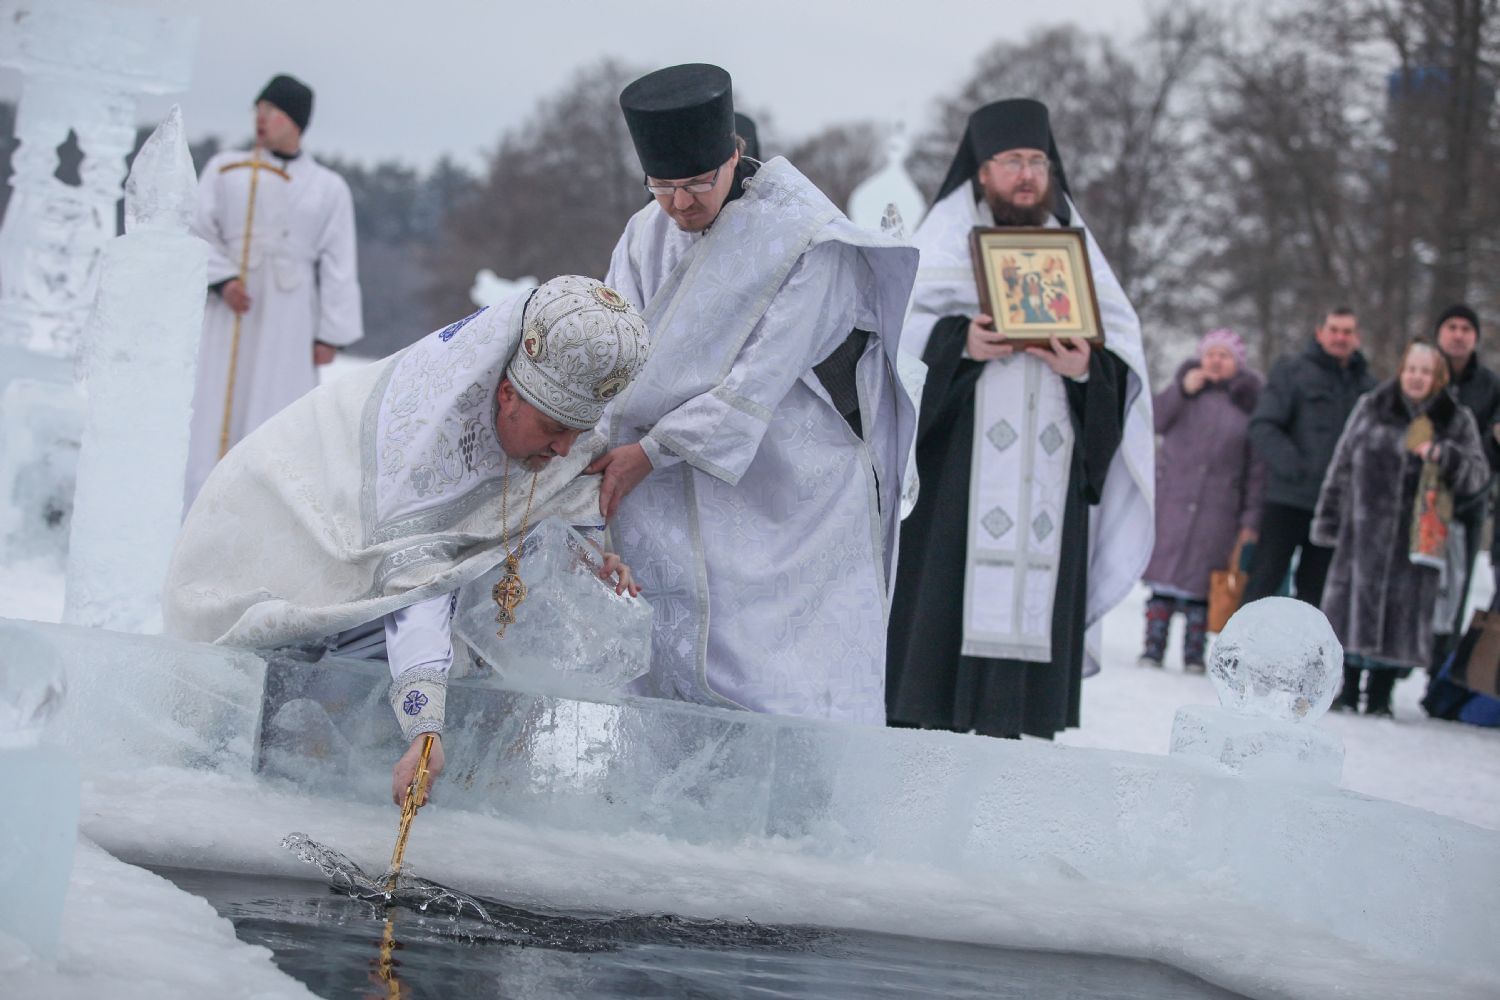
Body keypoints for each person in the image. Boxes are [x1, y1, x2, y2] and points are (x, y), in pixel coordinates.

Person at [164, 275, 650, 804]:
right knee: (391, 668)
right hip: (280, 564)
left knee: (502, 634)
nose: (563, 449)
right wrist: (425, 728)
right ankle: (316, 800)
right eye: (553, 428)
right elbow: (413, 597)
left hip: (389, 588)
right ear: (508, 393)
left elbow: (556, 510)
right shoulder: (424, 449)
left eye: (576, 433)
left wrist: (590, 562)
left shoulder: (553, 429)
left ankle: (470, 797)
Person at [590, 63, 918, 724]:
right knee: (667, 669)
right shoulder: (644, 232)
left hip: (789, 493)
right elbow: (613, 346)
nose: (680, 205)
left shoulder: (806, 239)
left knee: (783, 683)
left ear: (735, 155)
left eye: (698, 184)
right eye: (663, 187)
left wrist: (648, 452)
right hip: (669, 490)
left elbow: (755, 385)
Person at [885, 98, 1154, 740]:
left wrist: (1086, 369)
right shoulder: (942, 248)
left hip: (1049, 478)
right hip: (956, 480)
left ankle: (1017, 730)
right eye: (1012, 162)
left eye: (1038, 161)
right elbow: (893, 348)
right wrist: (960, 346)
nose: (1028, 175)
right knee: (941, 613)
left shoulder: (1080, 258)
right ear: (982, 171)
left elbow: (1121, 357)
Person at [185, 74, 363, 506]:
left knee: (278, 405)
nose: (262, 119)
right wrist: (223, 278)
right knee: (215, 402)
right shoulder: (225, 170)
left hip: (288, 311)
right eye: (258, 109)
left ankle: (262, 504)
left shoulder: (327, 187)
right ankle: (199, 499)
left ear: (296, 121)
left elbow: (339, 262)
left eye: (274, 111)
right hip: (233, 310)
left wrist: (329, 334)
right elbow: (197, 228)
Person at [1312, 340, 1488, 716]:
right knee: (1351, 611)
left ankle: (1381, 693)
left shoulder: (1455, 419)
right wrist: (1328, 519)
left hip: (1417, 541)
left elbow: (1477, 476)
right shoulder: (1371, 406)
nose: (1416, 378)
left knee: (1401, 617)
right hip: (1363, 535)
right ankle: (1346, 686)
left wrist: (1443, 454)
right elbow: (1341, 465)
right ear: (1401, 370)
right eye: (1411, 369)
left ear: (1437, 377)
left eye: (1425, 372)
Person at [1140, 329, 1264, 671]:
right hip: (1173, 503)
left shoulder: (1248, 406)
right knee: (1163, 582)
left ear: (1237, 363)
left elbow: (1257, 469)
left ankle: (1194, 652)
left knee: (1202, 587)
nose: (1216, 361)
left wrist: (1251, 520)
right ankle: (1153, 646)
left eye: (1225, 356)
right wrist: (1181, 390)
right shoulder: (1185, 392)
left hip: (1219, 512)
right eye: (1211, 354)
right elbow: (1153, 420)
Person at [1243, 308, 1375, 606]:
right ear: (1320, 333)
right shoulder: (1292, 371)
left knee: (1316, 596)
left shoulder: (1367, 387)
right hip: (1287, 499)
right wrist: (1294, 465)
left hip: (1335, 508)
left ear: (1357, 337)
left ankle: (1307, 654)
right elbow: (1263, 425)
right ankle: (1240, 650)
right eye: (1334, 329)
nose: (1340, 337)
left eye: (1347, 331)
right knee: (1264, 583)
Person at [1430, 304, 1500, 669]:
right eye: (1451, 326)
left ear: (1475, 337)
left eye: (1466, 329)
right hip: (1420, 504)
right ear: (1440, 333)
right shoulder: (1422, 373)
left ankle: (1439, 670)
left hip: (1467, 505)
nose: (1458, 334)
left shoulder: (1490, 385)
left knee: (1455, 593)